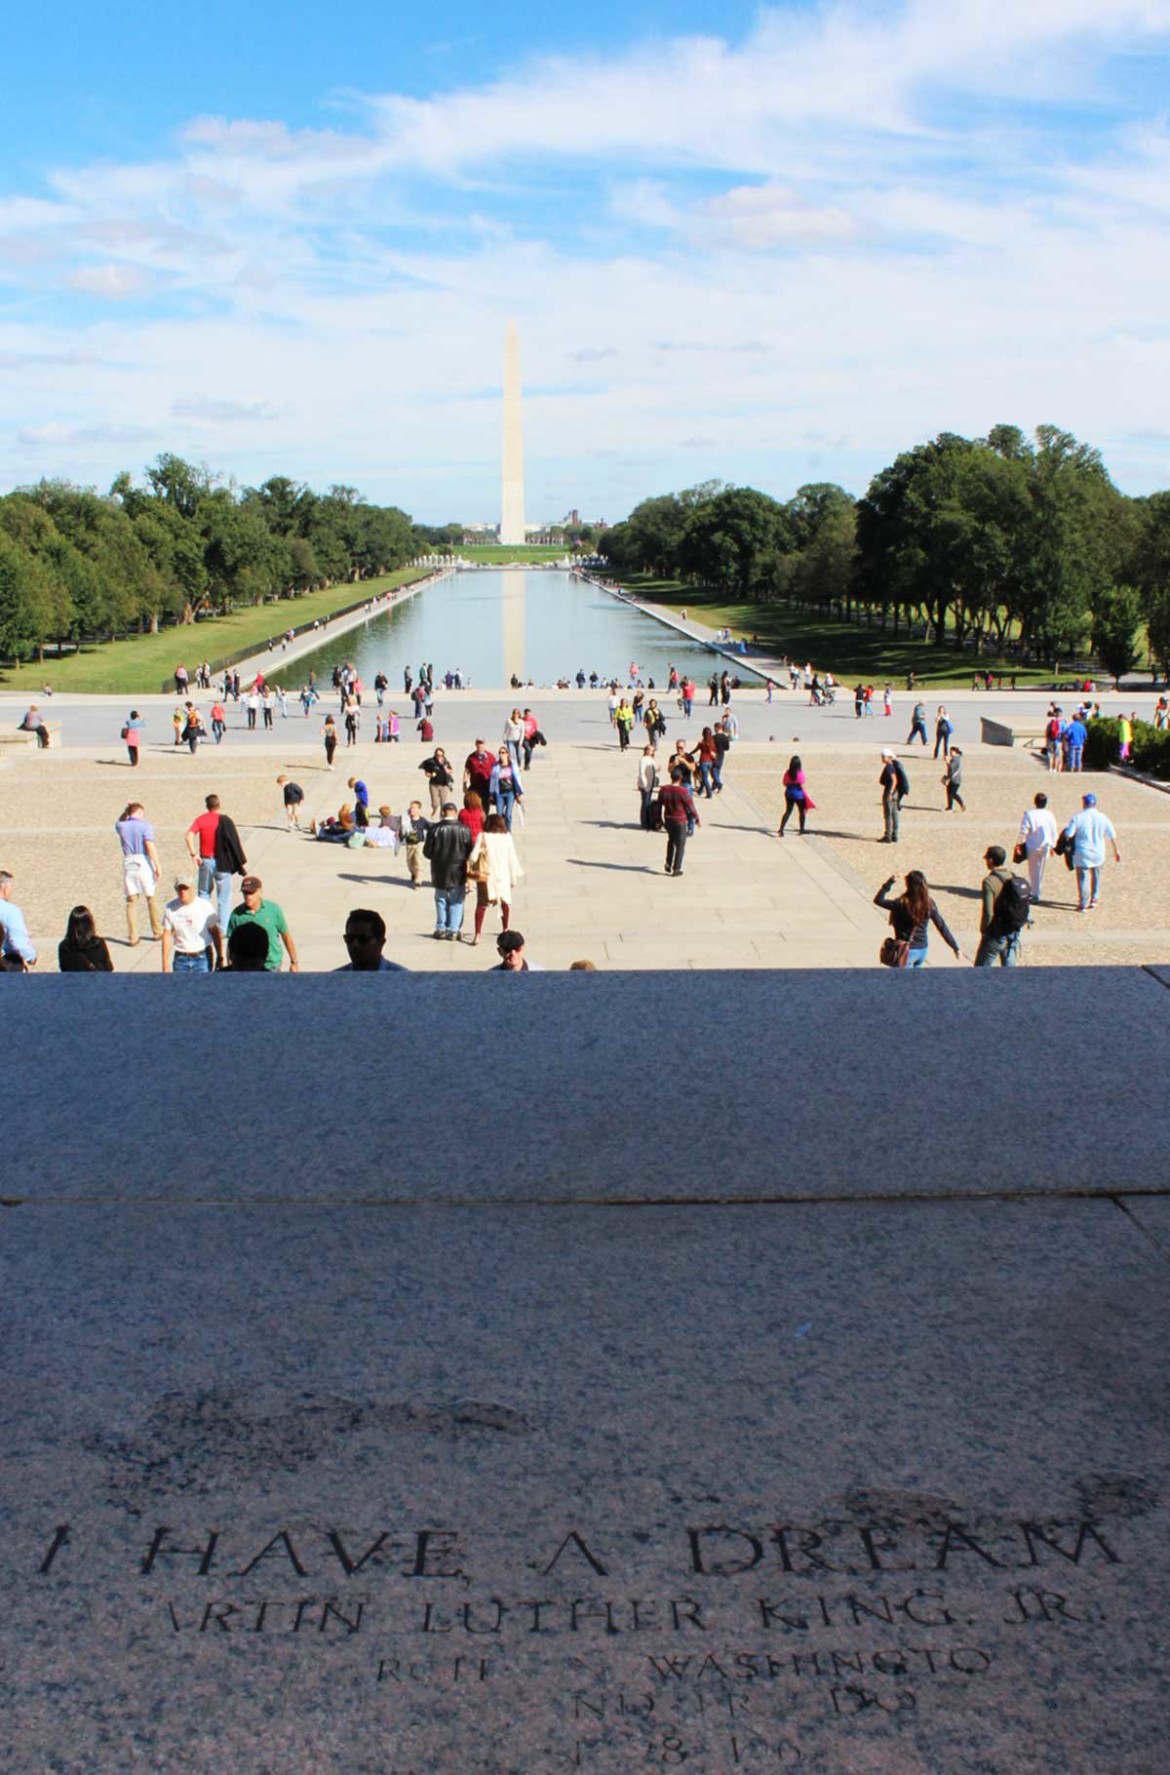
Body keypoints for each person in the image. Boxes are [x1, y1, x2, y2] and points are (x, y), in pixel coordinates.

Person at [185, 793, 247, 933]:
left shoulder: (200, 820)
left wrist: (193, 854)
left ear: (207, 806)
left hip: (206, 860)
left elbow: (188, 836)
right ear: (219, 805)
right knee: (223, 896)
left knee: (204, 893)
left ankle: (205, 925)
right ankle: (223, 929)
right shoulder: (224, 820)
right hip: (223, 862)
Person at [874, 871, 963, 967]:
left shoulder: (901, 903)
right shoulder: (929, 903)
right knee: (917, 980)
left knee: (904, 981)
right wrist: (955, 947)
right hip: (922, 950)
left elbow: (878, 900)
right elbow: (941, 926)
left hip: (906, 951)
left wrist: (890, 881)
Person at [466, 813, 524, 946]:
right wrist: (513, 877)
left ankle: (478, 934)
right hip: (503, 875)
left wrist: (470, 864)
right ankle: (505, 928)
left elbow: (474, 856)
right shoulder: (507, 837)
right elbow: (512, 857)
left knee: (481, 905)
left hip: (486, 876)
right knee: (505, 903)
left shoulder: (483, 836)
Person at [1062, 793, 1122, 913]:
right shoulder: (1103, 817)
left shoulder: (1078, 817)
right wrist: (1116, 850)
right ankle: (1094, 899)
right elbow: (1112, 834)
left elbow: (1069, 834)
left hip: (1083, 852)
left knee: (1083, 877)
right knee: (1096, 875)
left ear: (1084, 804)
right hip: (1098, 852)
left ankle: (1083, 903)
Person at [226, 875, 299, 972]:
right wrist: (230, 964)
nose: (248, 897)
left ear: (260, 892)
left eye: (251, 893)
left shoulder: (273, 910)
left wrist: (294, 962)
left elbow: (286, 936)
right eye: (245, 893)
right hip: (247, 968)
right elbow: (231, 943)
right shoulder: (236, 915)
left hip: (272, 965)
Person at [424, 801, 473, 940]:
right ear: (455, 813)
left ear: (442, 813)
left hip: (439, 870)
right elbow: (469, 851)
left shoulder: (435, 829)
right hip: (458, 870)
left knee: (441, 899)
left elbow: (427, 852)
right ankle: (453, 929)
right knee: (457, 900)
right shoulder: (464, 829)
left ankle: (441, 928)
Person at [115, 801, 162, 944]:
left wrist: (126, 811)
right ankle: (157, 930)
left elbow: (119, 821)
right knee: (151, 897)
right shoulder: (145, 826)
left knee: (131, 900)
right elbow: (149, 845)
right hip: (143, 861)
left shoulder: (122, 826)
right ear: (140, 812)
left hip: (129, 862)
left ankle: (133, 936)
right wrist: (157, 864)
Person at [161, 874, 223, 975]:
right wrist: (165, 963)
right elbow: (167, 935)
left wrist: (220, 957)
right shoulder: (170, 908)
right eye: (180, 888)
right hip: (181, 958)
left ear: (192, 889)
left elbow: (215, 932)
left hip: (202, 957)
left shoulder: (204, 906)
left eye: (185, 888)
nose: (182, 892)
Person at [975, 845, 1025, 967]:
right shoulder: (1012, 877)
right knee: (1009, 968)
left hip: (996, 931)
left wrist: (985, 930)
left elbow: (988, 911)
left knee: (980, 970)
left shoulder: (989, 881)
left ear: (991, 860)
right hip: (1012, 929)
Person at [1017, 792, 1059, 902]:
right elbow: (1054, 831)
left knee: (1033, 870)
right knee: (1041, 870)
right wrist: (1054, 846)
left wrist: (1018, 844)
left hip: (1032, 846)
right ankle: (1036, 891)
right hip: (1046, 846)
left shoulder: (1029, 814)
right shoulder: (1050, 815)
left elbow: (1024, 831)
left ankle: (1035, 893)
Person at [337, 907, 407, 971]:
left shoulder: (403, 979)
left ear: (381, 943)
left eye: (363, 939)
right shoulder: (335, 980)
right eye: (349, 939)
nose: (355, 945)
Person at [659, 766, 699, 877]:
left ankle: (668, 862)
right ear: (680, 778)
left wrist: (658, 819)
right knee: (680, 844)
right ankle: (677, 868)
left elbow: (658, 805)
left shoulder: (664, 790)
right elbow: (690, 806)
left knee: (671, 841)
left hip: (668, 819)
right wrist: (696, 818)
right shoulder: (683, 791)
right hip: (680, 820)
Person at [0, 870, 37, 970]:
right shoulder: (11, 911)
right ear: (5, 888)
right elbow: (18, 943)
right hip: (7, 963)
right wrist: (31, 957)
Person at [489, 745, 523, 830]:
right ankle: (501, 829)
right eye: (500, 753)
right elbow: (493, 781)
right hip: (499, 793)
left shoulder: (512, 765)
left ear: (507, 754)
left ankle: (508, 830)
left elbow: (517, 778)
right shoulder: (496, 766)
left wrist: (518, 793)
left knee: (508, 814)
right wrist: (491, 794)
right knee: (499, 814)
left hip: (510, 792)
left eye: (503, 753)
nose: (501, 754)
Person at [879, 749, 909, 843]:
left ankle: (888, 835)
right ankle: (895, 834)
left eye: (883, 756)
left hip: (890, 793)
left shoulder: (889, 767)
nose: (882, 758)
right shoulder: (894, 766)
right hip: (896, 792)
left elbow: (894, 780)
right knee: (895, 813)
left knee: (888, 814)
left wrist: (890, 793)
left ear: (888, 757)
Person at [779, 756, 814, 836]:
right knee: (802, 811)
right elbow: (802, 781)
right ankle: (802, 829)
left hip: (789, 792)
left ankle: (781, 828)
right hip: (798, 794)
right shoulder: (799, 772)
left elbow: (784, 783)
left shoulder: (788, 772)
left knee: (788, 811)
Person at [400, 800, 429, 887]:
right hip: (409, 844)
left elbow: (430, 827)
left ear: (418, 809)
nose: (411, 809)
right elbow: (401, 830)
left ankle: (418, 881)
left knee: (419, 861)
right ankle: (413, 873)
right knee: (410, 862)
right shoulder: (406, 820)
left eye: (414, 808)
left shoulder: (422, 820)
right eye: (411, 807)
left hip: (419, 843)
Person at [463, 739, 495, 809]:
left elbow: (496, 771)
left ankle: (484, 819)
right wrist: (464, 784)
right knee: (473, 804)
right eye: (478, 744)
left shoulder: (490, 756)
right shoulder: (471, 757)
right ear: (476, 745)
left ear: (484, 745)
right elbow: (466, 771)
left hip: (487, 785)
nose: (480, 746)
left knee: (485, 806)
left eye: (481, 744)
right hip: (475, 785)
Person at [637, 745, 659, 830]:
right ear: (646, 750)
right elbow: (641, 773)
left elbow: (653, 770)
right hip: (645, 785)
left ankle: (647, 820)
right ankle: (644, 822)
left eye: (653, 750)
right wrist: (645, 784)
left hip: (650, 784)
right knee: (645, 803)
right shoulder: (643, 760)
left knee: (648, 803)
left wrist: (657, 769)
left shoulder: (651, 760)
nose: (652, 751)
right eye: (650, 750)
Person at [942, 747, 965, 811]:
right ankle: (961, 804)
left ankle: (950, 808)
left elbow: (951, 769)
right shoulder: (958, 758)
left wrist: (947, 761)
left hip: (954, 779)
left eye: (952, 752)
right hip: (957, 779)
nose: (951, 754)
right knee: (954, 794)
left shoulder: (955, 759)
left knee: (950, 793)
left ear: (955, 752)